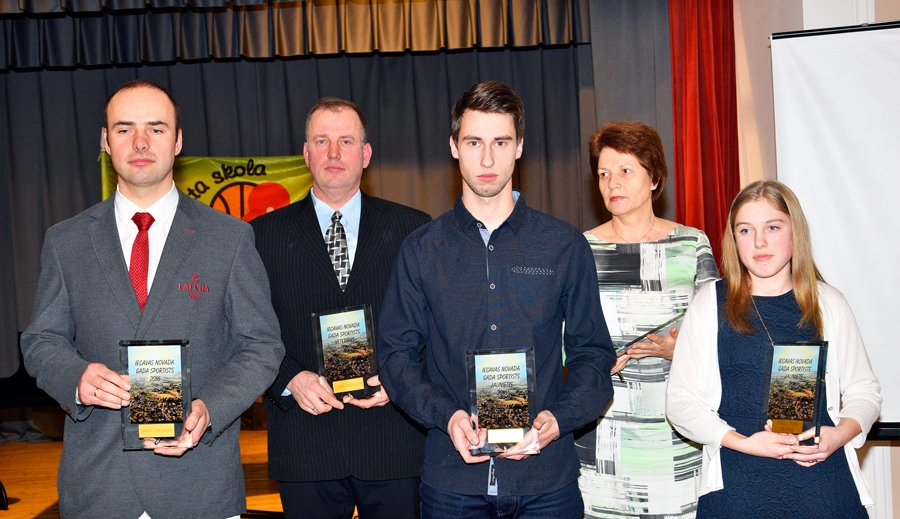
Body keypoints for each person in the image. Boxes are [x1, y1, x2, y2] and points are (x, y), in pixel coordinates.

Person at [19, 79, 285, 519]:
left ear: (178, 141)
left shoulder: (230, 238)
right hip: (99, 486)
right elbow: (41, 341)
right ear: (105, 142)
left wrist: (209, 408)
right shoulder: (65, 241)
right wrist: (78, 378)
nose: (140, 141)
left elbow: (261, 346)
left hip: (200, 485)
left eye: (156, 128)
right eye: (124, 129)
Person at [377, 81, 616, 518]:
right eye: (474, 142)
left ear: (519, 146)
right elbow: (395, 357)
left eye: (500, 142)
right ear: (454, 146)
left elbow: (594, 356)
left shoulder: (563, 246)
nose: (487, 159)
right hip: (452, 485)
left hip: (547, 483)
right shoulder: (420, 250)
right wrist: (446, 416)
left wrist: (558, 421)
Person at [251, 98, 431, 519]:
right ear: (306, 152)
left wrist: (403, 381)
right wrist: (290, 377)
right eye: (322, 140)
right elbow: (249, 330)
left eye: (346, 141)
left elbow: (434, 327)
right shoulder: (260, 235)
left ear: (365, 154)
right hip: (305, 441)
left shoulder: (414, 229)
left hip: (394, 442)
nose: (333, 153)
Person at [666, 180, 881, 517]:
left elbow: (864, 390)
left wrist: (839, 435)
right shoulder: (710, 302)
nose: (760, 242)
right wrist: (742, 442)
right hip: (739, 486)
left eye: (773, 227)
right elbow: (680, 402)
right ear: (733, 239)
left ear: (796, 231)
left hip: (822, 485)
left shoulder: (828, 302)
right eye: (746, 230)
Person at [574, 122, 718, 518]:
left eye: (625, 171)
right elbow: (563, 336)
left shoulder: (692, 244)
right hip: (605, 431)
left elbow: (720, 336)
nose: (611, 183)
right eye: (603, 173)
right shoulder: (579, 249)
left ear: (655, 177)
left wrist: (682, 350)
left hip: (676, 431)